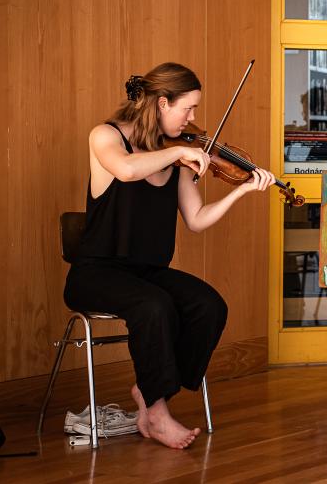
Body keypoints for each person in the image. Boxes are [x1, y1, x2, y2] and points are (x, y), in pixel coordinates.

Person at [64, 62, 276, 449]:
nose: (193, 119)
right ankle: (157, 414)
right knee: (155, 306)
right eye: (188, 109)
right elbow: (127, 171)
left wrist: (240, 191)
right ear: (162, 103)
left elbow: (196, 220)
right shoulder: (107, 137)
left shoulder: (178, 159)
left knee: (209, 305)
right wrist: (179, 149)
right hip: (96, 273)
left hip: (146, 273)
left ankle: (147, 393)